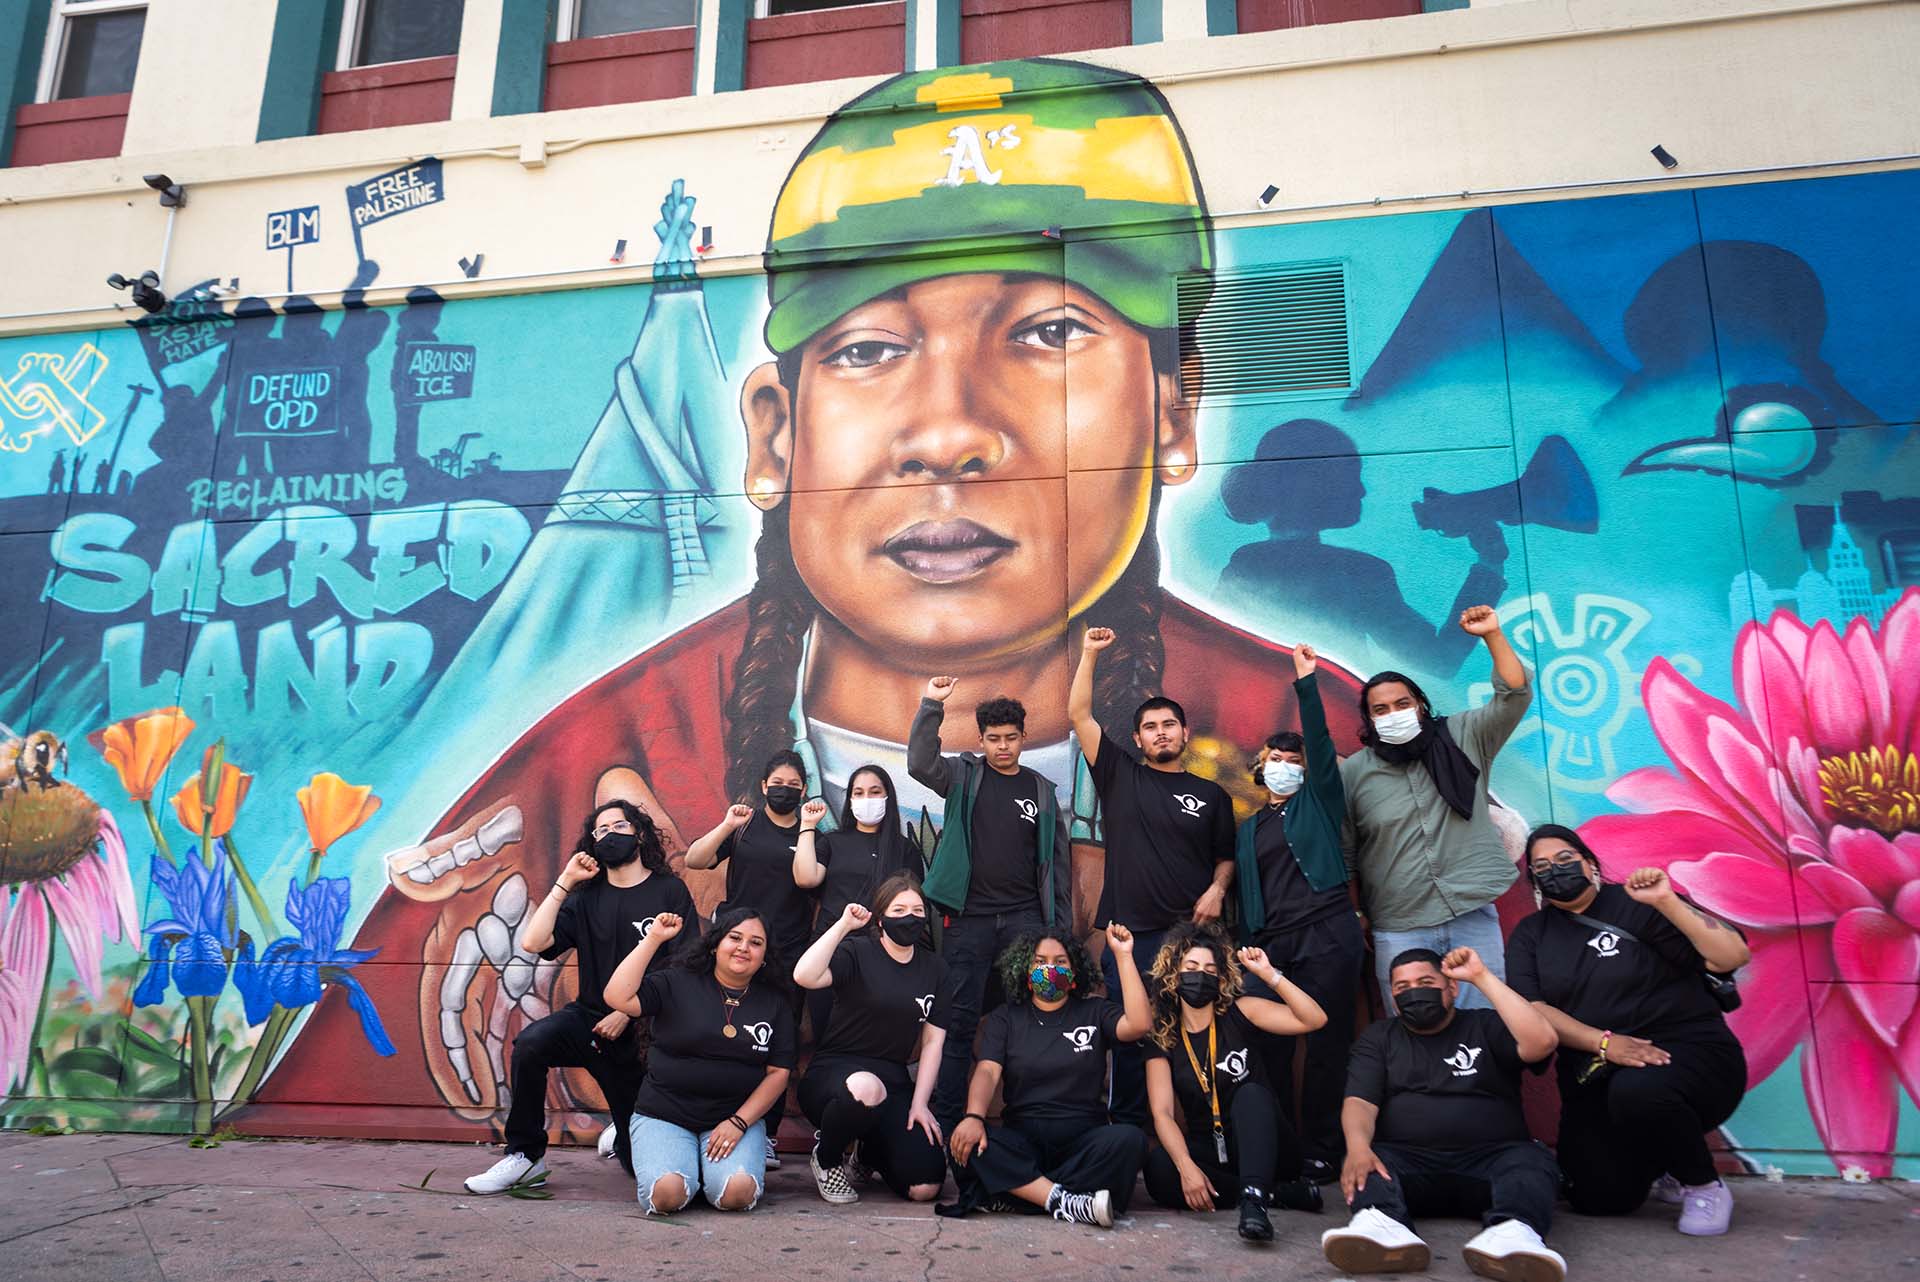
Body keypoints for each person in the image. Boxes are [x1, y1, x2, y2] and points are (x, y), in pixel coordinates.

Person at [265, 57, 1369, 1134]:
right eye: (872, 348)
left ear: (1173, 416)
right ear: (774, 433)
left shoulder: (1301, 730)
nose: (947, 432)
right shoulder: (587, 773)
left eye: (1050, 333)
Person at [1507, 825, 1750, 1236]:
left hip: (1687, 1055)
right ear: (1534, 881)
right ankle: (1666, 1159)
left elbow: (1732, 955)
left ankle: (1701, 1184)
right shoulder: (1532, 935)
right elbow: (1534, 1008)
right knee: (1595, 1198)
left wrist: (1666, 902)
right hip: (1596, 1069)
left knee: (1640, 1091)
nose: (1555, 871)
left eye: (1565, 859)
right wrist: (1605, 1044)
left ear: (1590, 863)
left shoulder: (1637, 904)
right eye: (1542, 867)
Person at [462, 801, 693, 1194]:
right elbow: (535, 942)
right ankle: (525, 1157)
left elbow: (685, 964)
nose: (610, 834)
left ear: (638, 832)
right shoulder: (586, 897)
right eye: (600, 831)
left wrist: (630, 1011)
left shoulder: (668, 889)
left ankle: (624, 1133)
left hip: (643, 1031)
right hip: (589, 1019)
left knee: (639, 1167)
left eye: (619, 825)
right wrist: (565, 882)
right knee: (531, 1045)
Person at [1070, 624, 1235, 1125]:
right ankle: (1128, 1133)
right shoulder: (1121, 775)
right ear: (1138, 738)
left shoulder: (1212, 795)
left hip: (1192, 938)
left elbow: (1225, 856)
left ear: (1184, 734)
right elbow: (1079, 714)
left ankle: (1205, 1135)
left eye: (1170, 724)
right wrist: (1090, 653)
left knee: (1197, 1036)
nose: (1161, 731)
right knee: (1131, 1037)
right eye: (1151, 726)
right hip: (1131, 938)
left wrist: (1218, 888)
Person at [1321, 947, 1565, 1281]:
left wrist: (1481, 977)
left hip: (1493, 1160)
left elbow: (1543, 1041)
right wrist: (1358, 1146)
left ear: (1452, 988)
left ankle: (1512, 1236)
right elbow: (1360, 1102)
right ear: (1392, 997)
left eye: (1425, 982)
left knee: (1532, 1163)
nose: (1414, 993)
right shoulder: (1380, 1037)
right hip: (1409, 1165)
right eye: (1402, 988)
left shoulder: (1485, 1024)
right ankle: (1383, 1228)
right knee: (1369, 1163)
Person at [1341, 604, 1533, 1010]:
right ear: (1369, 721)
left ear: (1421, 706)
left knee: (1486, 1022)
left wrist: (1492, 636)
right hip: (1399, 925)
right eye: (1381, 710)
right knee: (1413, 1028)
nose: (1394, 714)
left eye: (1402, 703)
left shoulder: (1464, 736)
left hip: (1470, 910)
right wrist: (1355, 913)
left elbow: (1513, 694)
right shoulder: (1355, 773)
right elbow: (1346, 851)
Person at [907, 682, 1072, 1127]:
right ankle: (943, 1123)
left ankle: (1024, 1122)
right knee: (958, 1025)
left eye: (1011, 737)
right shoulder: (962, 776)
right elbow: (920, 763)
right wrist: (932, 705)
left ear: (1023, 737)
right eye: (994, 738)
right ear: (981, 740)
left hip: (1025, 922)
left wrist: (1058, 932)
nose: (1003, 746)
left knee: (1025, 1020)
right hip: (969, 921)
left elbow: (1056, 866)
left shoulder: (1040, 791)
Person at [1233, 640, 1365, 1185]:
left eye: (1294, 761)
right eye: (1276, 761)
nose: (1285, 767)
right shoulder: (1248, 828)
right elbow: (1246, 892)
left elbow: (1318, 737)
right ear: (1259, 769)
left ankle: (1322, 1149)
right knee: (1270, 1045)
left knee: (1328, 1043)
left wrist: (1306, 682)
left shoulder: (1320, 803)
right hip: (1271, 947)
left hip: (1327, 933)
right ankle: (1282, 1144)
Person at [946, 924, 1152, 1228]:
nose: (1050, 968)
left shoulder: (1094, 1011)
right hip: (1024, 1138)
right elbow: (988, 1070)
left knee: (1130, 1140)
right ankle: (1068, 1201)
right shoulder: (1006, 1017)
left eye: (1060, 961)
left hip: (1083, 1139)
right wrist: (975, 1116)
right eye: (1040, 962)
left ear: (1075, 972)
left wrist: (1123, 956)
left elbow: (1139, 1024)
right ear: (1025, 971)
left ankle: (1026, 1193)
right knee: (966, 1146)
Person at [1140, 922, 1328, 1242]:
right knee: (1159, 1167)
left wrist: (1270, 976)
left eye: (1211, 969)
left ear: (1221, 977)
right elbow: (1162, 1114)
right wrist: (1186, 1167)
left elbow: (1314, 1019)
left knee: (1251, 1094)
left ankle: (1255, 1203)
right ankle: (1276, 1195)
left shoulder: (1241, 1012)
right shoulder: (1164, 1036)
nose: (1201, 975)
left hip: (1269, 1146)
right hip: (1216, 1150)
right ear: (1174, 975)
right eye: (1192, 967)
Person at [603, 907, 796, 1215]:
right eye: (735, 937)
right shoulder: (677, 982)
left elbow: (778, 1073)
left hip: (733, 1120)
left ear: (765, 956)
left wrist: (738, 1122)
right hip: (664, 1116)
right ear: (716, 943)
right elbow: (617, 997)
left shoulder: (775, 1002)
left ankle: (704, 1172)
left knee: (737, 1195)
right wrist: (653, 939)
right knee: (666, 1196)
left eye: (756, 942)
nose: (744, 947)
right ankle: (686, 1169)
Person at [686, 748, 817, 1164]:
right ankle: (714, 1121)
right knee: (727, 1034)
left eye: (792, 786)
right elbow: (696, 859)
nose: (784, 791)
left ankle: (767, 1135)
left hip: (789, 954)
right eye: (776, 785)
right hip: (738, 952)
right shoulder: (745, 828)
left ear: (804, 791)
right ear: (763, 787)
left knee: (779, 1043)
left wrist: (809, 830)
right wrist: (727, 823)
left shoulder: (812, 834)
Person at [792, 875, 950, 1204]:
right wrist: (843, 925)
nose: (910, 917)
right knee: (866, 1087)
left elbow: (933, 1042)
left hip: (893, 1081)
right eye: (900, 909)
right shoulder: (858, 951)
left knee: (925, 1187)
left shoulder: (935, 968)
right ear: (881, 918)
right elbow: (804, 974)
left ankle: (868, 1152)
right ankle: (827, 1161)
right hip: (835, 1076)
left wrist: (920, 1103)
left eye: (918, 910)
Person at [792, 765, 924, 1043]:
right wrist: (807, 826)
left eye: (875, 792)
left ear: (888, 797)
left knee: (874, 1039)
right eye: (858, 793)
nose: (867, 799)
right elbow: (805, 878)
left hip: (883, 957)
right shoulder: (832, 842)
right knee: (826, 1037)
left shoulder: (904, 849)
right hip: (830, 952)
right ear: (850, 800)